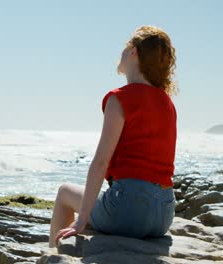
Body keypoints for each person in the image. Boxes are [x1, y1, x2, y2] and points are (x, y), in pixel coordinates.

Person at [49, 25, 178, 248]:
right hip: (163, 214)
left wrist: (81, 220)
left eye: (125, 47)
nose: (121, 53)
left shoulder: (119, 99)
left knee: (64, 193)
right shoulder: (167, 102)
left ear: (133, 52)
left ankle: (51, 255)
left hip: (128, 211)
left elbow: (100, 163)